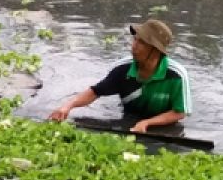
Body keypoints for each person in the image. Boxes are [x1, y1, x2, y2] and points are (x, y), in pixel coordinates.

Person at [49, 19, 192, 133]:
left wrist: (147, 123)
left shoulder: (177, 75)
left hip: (161, 124)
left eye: (141, 42)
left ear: (155, 50)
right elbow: (95, 92)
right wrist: (67, 106)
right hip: (129, 117)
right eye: (134, 39)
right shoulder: (122, 69)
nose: (134, 45)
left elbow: (179, 113)